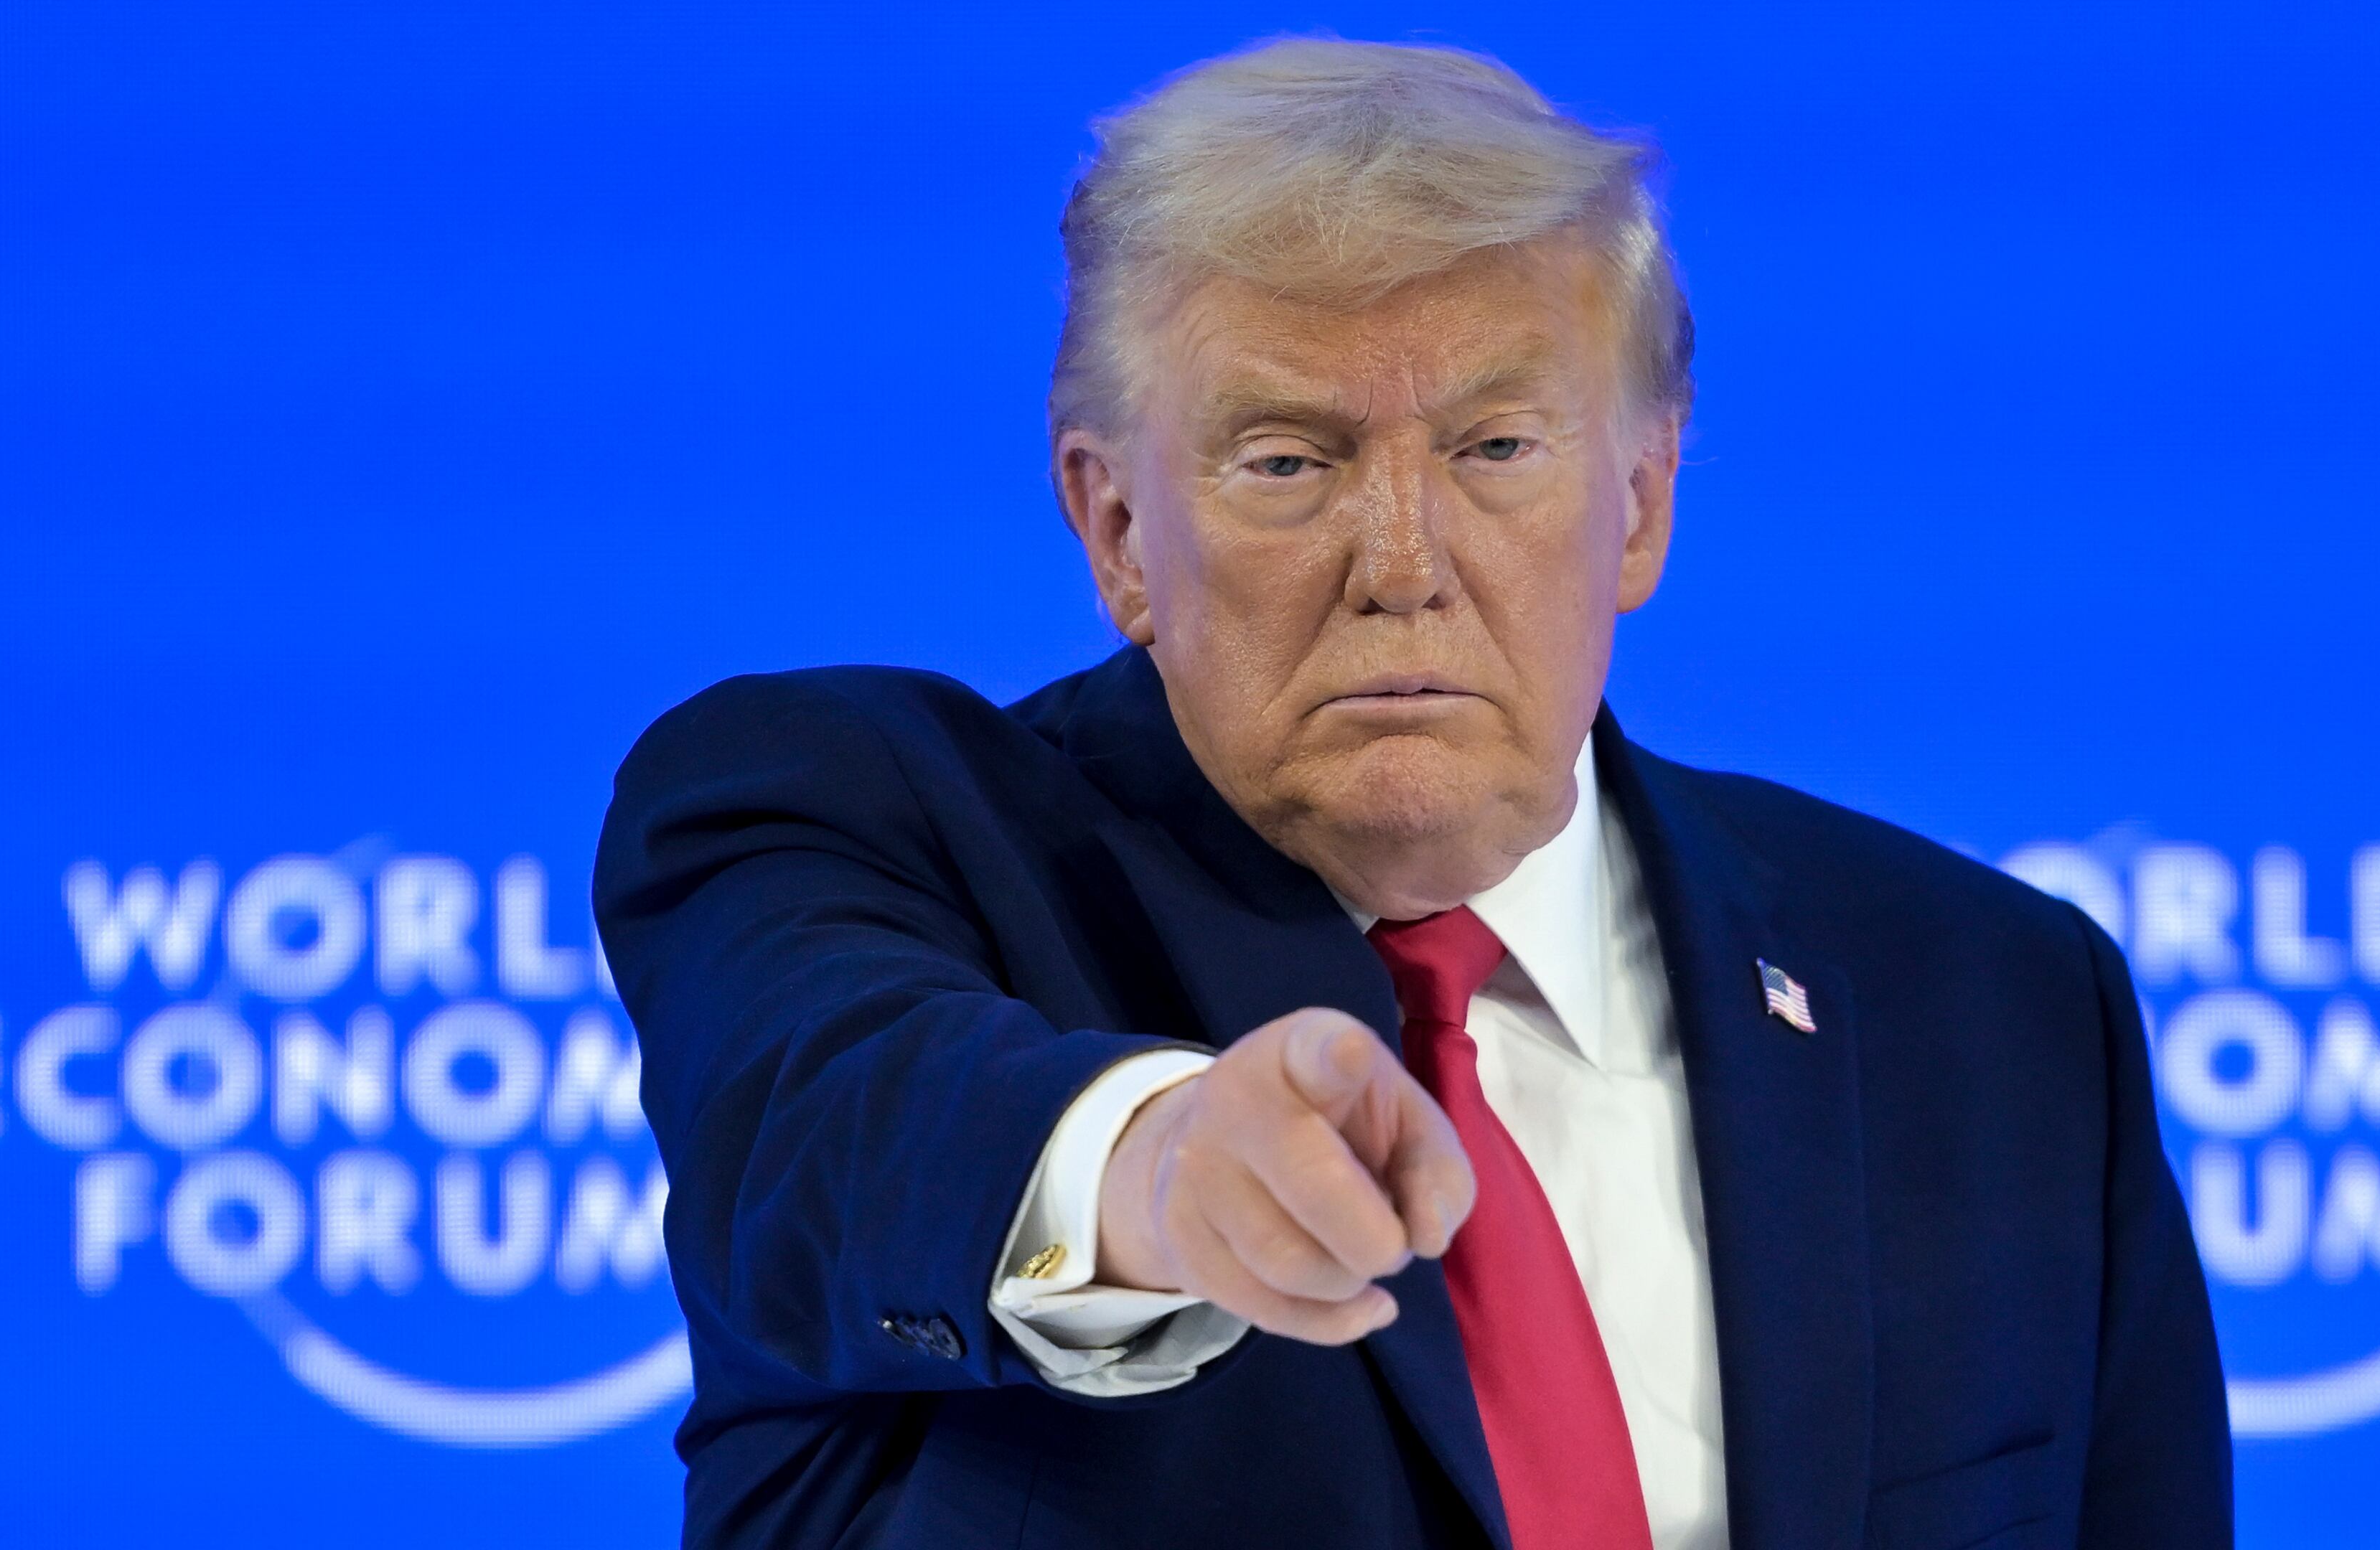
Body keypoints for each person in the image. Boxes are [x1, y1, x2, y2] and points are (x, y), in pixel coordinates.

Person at [594, 35, 2231, 1550]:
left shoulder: (1995, 1002)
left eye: (1496, 448)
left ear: (1644, 499)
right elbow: (839, 1114)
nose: (1403, 566)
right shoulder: (849, 827)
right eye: (1289, 460)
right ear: (1114, 529)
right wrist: (1160, 1171)